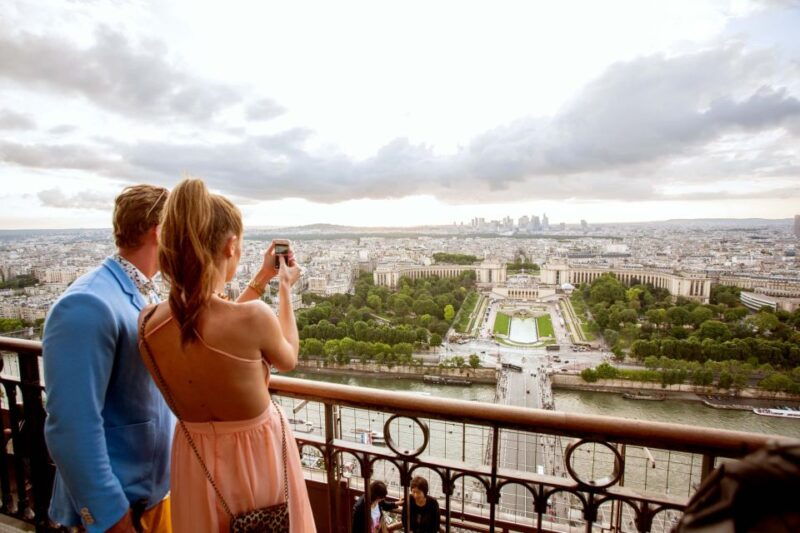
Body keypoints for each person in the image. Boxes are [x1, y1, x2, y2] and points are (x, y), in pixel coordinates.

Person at [137, 178, 315, 532]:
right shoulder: (253, 319)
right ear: (231, 245)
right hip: (257, 458)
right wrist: (283, 289)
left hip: (194, 461)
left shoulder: (148, 325)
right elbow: (288, 356)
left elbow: (208, 329)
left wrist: (260, 279)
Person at [43, 185, 174, 532]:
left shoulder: (140, 288)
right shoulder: (86, 304)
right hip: (121, 509)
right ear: (160, 231)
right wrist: (110, 517)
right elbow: (71, 427)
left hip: (151, 496)